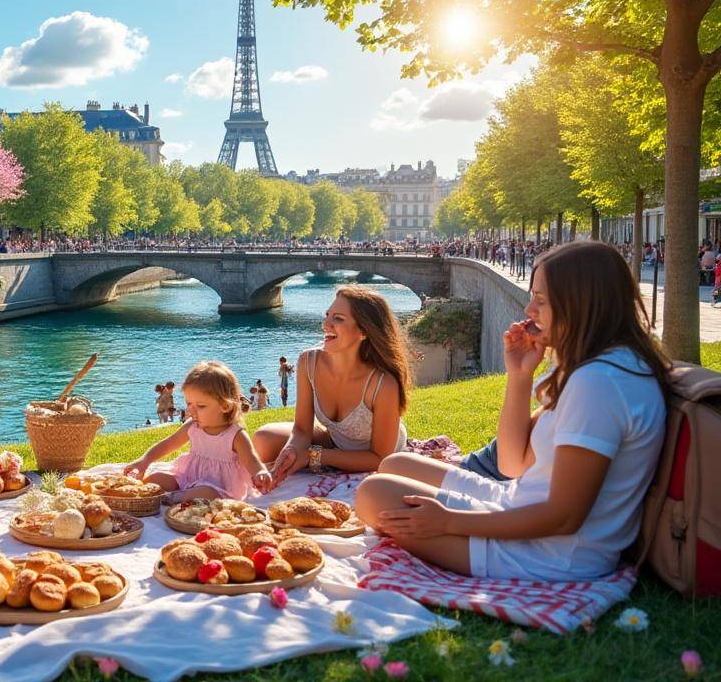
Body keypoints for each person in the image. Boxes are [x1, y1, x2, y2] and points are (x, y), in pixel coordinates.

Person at [355, 241, 671, 580]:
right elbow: (512, 463)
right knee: (394, 463)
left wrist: (448, 519)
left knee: (373, 494)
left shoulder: (599, 383)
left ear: (581, 304)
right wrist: (519, 375)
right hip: (519, 504)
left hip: (548, 552)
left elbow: (564, 517)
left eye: (541, 300)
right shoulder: (600, 367)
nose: (529, 309)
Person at [254, 286, 410, 485]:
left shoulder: (382, 384)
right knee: (264, 439)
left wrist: (313, 455)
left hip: (375, 457)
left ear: (364, 330)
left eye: (338, 318)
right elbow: (302, 429)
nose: (326, 324)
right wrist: (292, 449)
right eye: (327, 315)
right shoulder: (308, 361)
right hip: (335, 442)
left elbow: (380, 458)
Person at [123, 361, 273, 502]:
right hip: (189, 478)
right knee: (156, 479)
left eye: (200, 406)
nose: (190, 410)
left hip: (218, 488)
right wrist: (145, 461)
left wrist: (259, 472)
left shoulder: (235, 435)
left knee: (205, 493)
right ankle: (167, 495)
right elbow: (169, 444)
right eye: (189, 403)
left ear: (225, 406)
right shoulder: (193, 426)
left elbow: (251, 460)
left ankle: (173, 498)